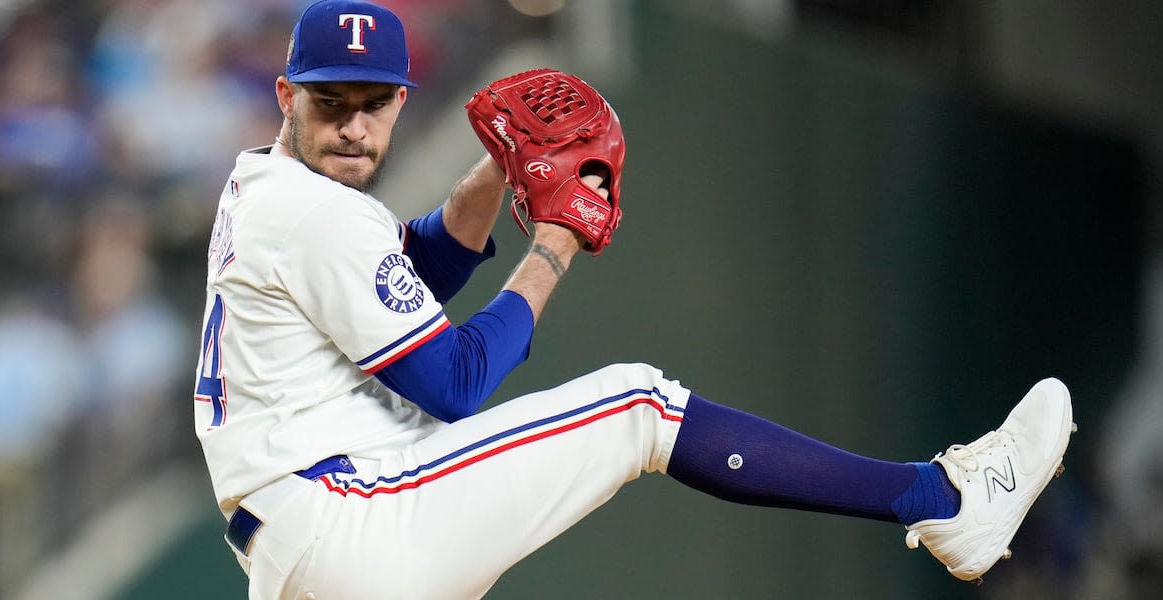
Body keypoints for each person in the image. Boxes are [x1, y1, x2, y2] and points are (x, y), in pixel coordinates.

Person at [192, 2, 1076, 598]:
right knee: (641, 405)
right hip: (349, 517)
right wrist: (555, 242)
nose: (353, 124)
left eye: (373, 104)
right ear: (287, 96)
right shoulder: (312, 212)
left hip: (304, 545)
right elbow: (454, 382)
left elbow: (405, 275)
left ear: (399, 102)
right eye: (330, 102)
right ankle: (947, 501)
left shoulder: (268, 191)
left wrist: (501, 166)